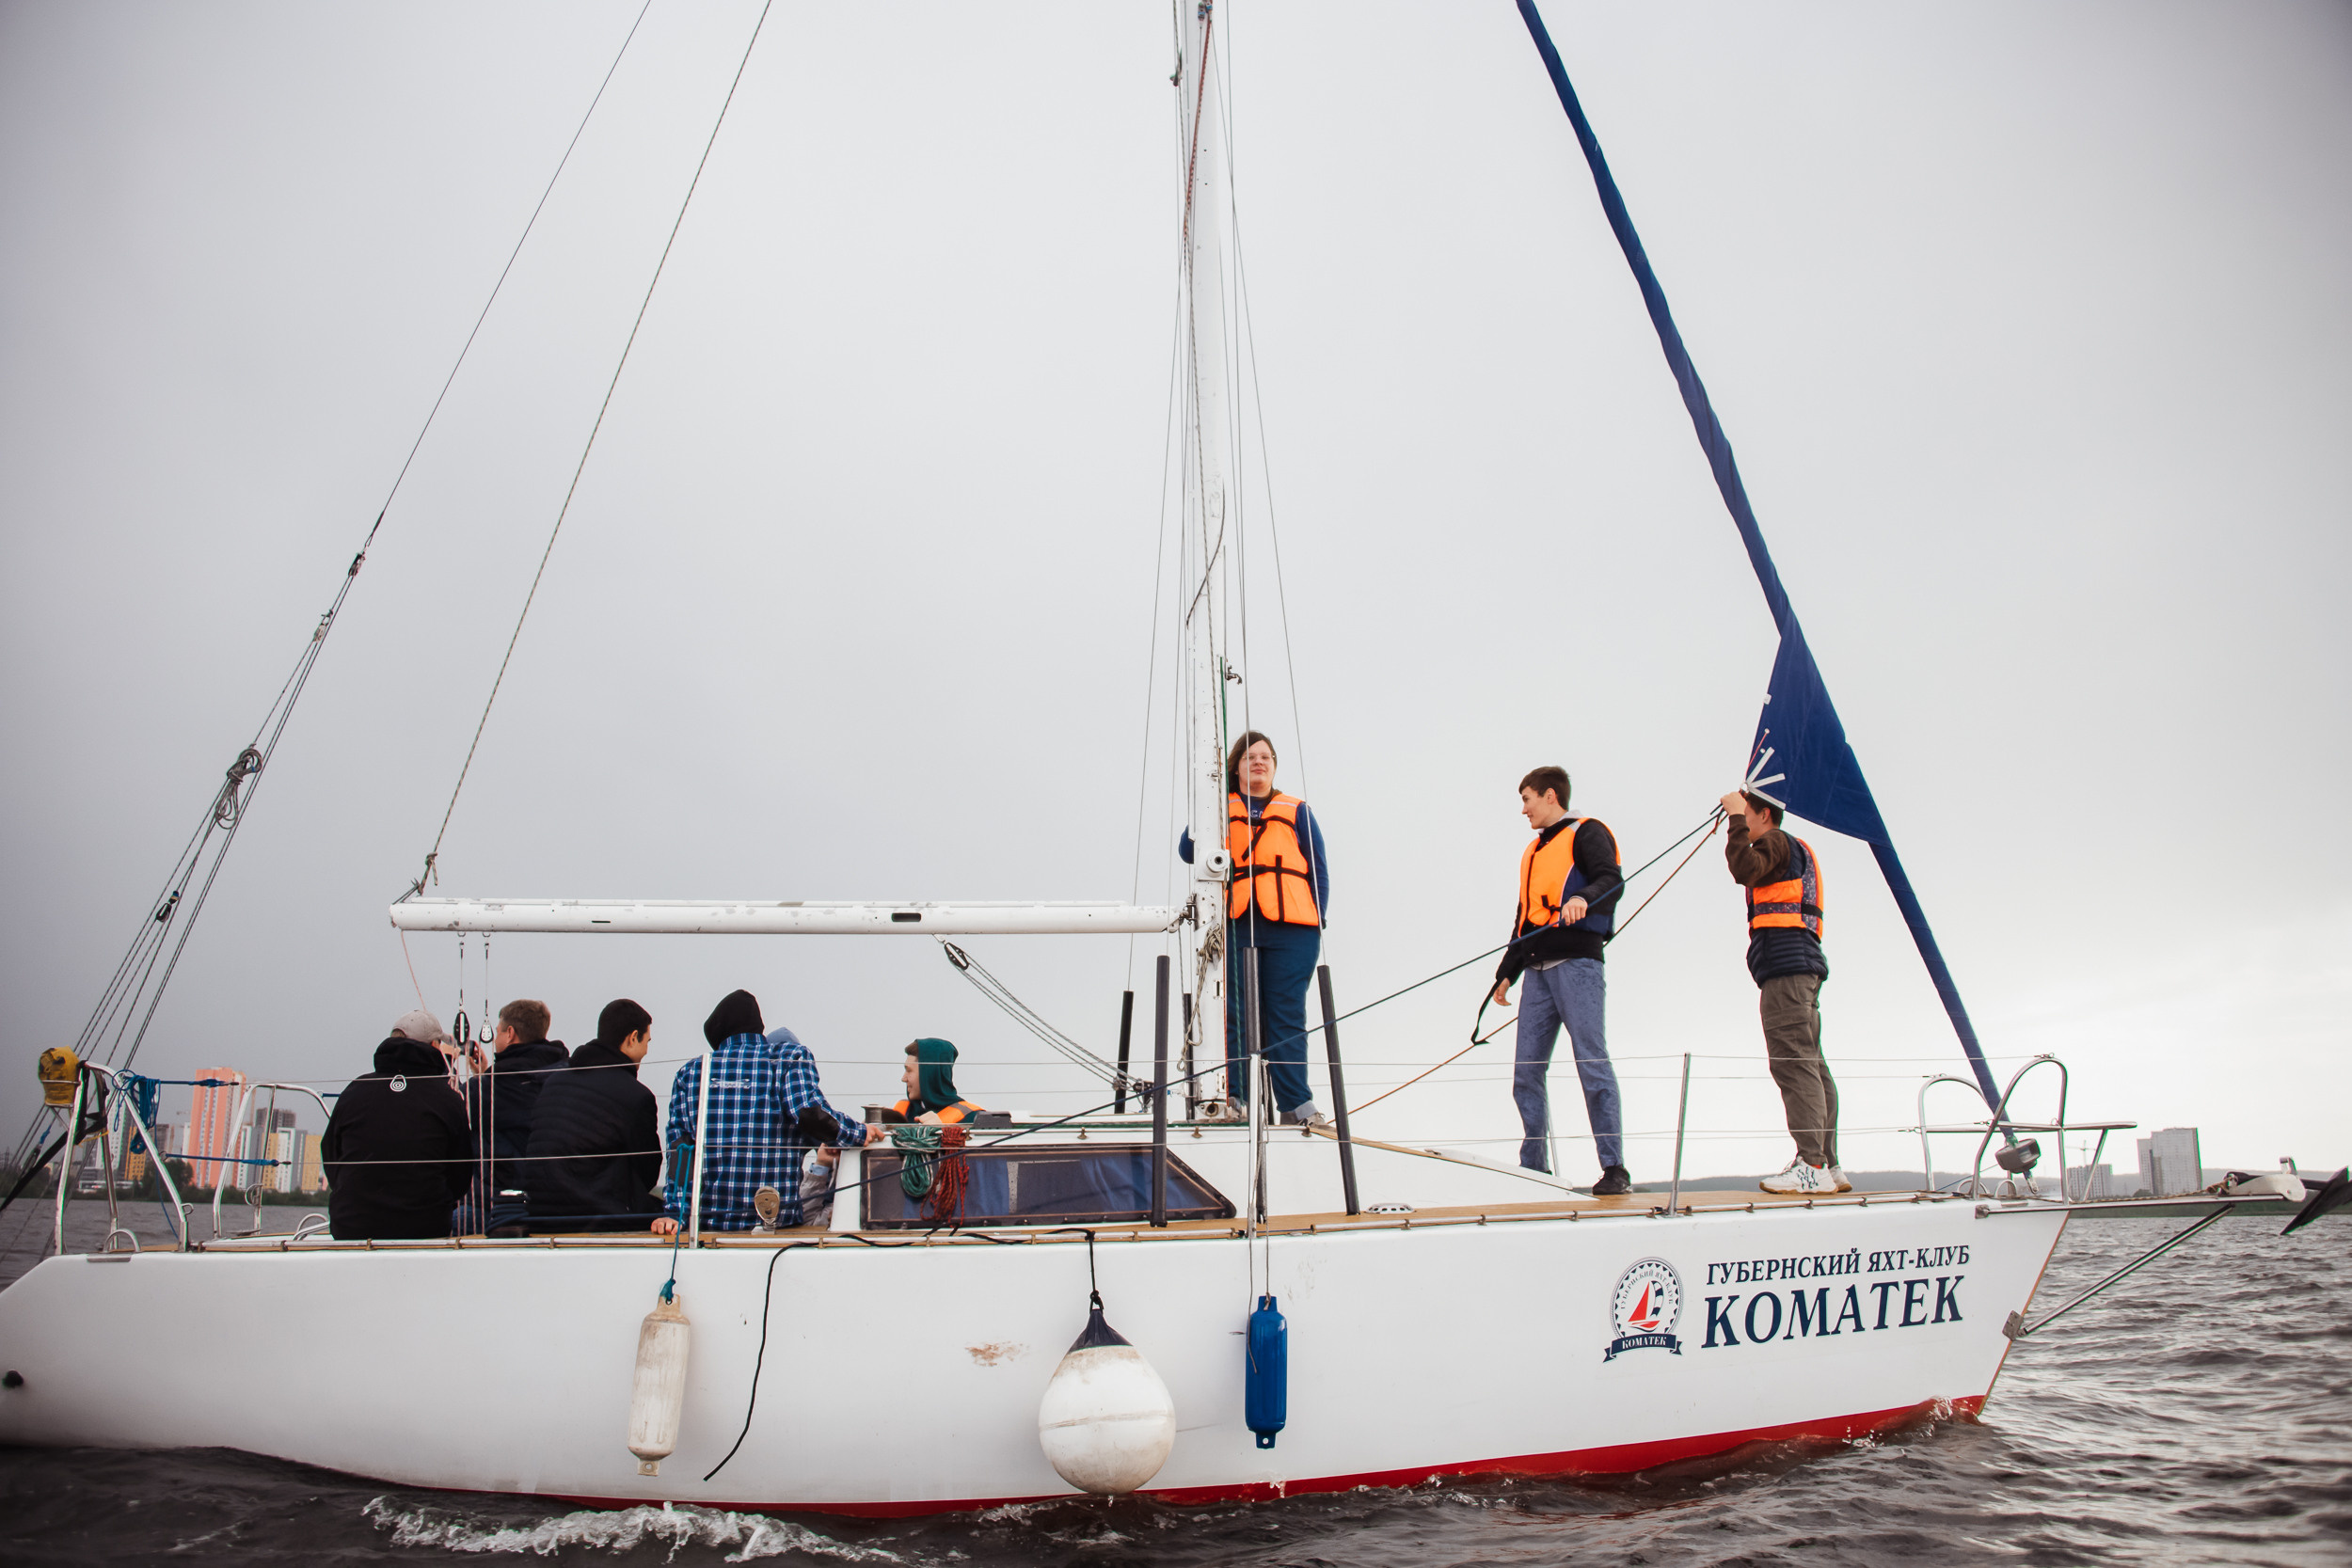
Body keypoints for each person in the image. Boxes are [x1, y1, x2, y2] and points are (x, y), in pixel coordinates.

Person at [1179, 731, 1331, 1127]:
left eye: (1265, 757)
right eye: (1250, 757)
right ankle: (1235, 1099)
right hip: (1235, 924)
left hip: (1293, 930)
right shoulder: (1218, 809)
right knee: (1232, 1012)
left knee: (1286, 1015)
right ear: (1236, 767)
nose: (1259, 762)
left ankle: (1296, 1106)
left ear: (1274, 765)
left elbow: (1318, 870)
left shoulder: (1297, 811)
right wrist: (1206, 804)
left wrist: (1317, 919)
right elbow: (1187, 850)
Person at [1492, 766, 1629, 1195]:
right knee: (1526, 1073)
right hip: (1536, 971)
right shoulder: (1533, 852)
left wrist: (1582, 898)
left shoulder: (1587, 832)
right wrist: (1506, 974)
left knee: (1591, 1061)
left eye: (1527, 799)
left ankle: (1614, 1169)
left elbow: (1612, 881)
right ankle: (1535, 1169)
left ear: (1550, 796)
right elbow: (1524, 918)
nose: (1523, 809)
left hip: (1578, 965)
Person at [652, 990, 883, 1235]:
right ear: (758, 1028)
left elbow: (681, 1149)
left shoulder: (691, 1072)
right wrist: (859, 1133)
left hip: (710, 1223)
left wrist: (676, 1213)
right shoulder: (789, 1057)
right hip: (778, 1224)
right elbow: (808, 1113)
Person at [1720, 789, 1846, 1195]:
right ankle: (1828, 1165)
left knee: (1792, 1062)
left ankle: (1812, 1165)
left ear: (1763, 814)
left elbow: (1744, 868)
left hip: (1787, 971)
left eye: (1747, 813)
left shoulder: (1775, 841)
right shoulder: (1790, 847)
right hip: (1801, 967)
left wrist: (1734, 820)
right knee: (1811, 1063)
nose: (1742, 820)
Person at [321, 1008, 476, 1240]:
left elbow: (331, 1155)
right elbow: (461, 1175)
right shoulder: (448, 1099)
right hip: (424, 1227)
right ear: (435, 1047)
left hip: (351, 1226)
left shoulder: (355, 1090)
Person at [523, 999, 664, 1232]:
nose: (646, 1051)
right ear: (632, 1038)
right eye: (646, 1041)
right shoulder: (636, 1096)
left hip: (540, 1213)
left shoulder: (553, 1083)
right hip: (597, 1217)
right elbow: (648, 1172)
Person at [470, 998, 568, 1235]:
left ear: (510, 1033)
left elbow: (455, 1108)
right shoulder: (566, 1074)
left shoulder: (490, 1087)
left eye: (498, 1031)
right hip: (562, 1196)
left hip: (506, 1205)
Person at [891, 1038, 984, 1124]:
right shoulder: (901, 1112)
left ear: (929, 1073)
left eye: (909, 1070)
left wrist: (941, 1131)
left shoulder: (974, 1118)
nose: (903, 1078)